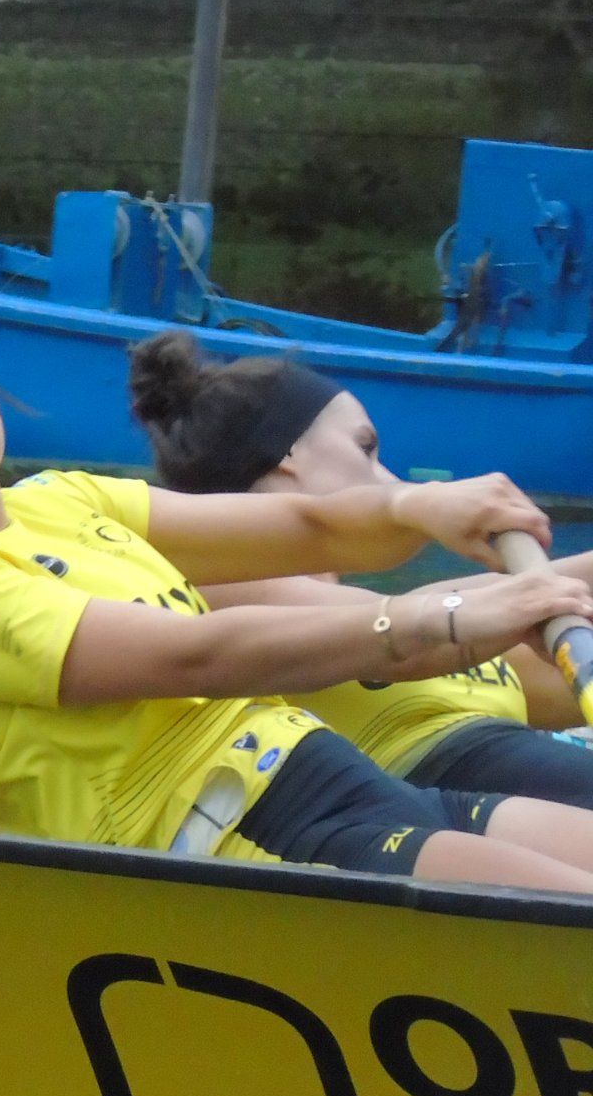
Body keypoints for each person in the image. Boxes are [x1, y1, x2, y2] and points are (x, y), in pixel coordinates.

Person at [0, 264, 593, 892]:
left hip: (324, 774)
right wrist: (443, 618)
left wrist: (423, 505)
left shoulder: (61, 498)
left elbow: (310, 525)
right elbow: (197, 655)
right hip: (228, 835)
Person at [128, 329, 593, 807]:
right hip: (433, 790)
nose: (389, 479)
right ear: (288, 455)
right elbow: (415, 622)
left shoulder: (449, 630)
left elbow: (518, 632)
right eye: (365, 448)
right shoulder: (213, 590)